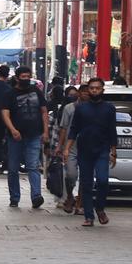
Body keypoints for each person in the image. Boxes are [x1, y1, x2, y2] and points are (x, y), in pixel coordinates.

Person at [66, 78, 117, 226]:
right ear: (88, 90)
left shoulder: (109, 108)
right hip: (84, 149)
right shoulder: (81, 108)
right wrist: (67, 148)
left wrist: (113, 151)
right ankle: (89, 216)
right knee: (86, 183)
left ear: (102, 90)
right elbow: (74, 129)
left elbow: (112, 131)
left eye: (97, 88)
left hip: (102, 149)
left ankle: (100, 208)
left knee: (102, 180)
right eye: (92, 88)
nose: (94, 90)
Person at [1, 66, 49, 208]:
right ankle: (14, 197)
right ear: (17, 78)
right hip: (15, 136)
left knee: (33, 166)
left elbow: (44, 111)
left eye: (28, 76)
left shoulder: (36, 91)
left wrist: (45, 131)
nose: (26, 79)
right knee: (13, 167)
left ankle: (36, 196)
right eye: (23, 77)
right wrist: (12, 129)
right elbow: (5, 113)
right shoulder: (9, 94)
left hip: (34, 134)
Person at [54, 86, 82, 214]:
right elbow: (64, 128)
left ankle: (80, 202)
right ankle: (70, 195)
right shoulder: (69, 108)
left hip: (89, 146)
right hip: (71, 145)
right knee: (71, 175)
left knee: (86, 176)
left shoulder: (97, 108)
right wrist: (60, 146)